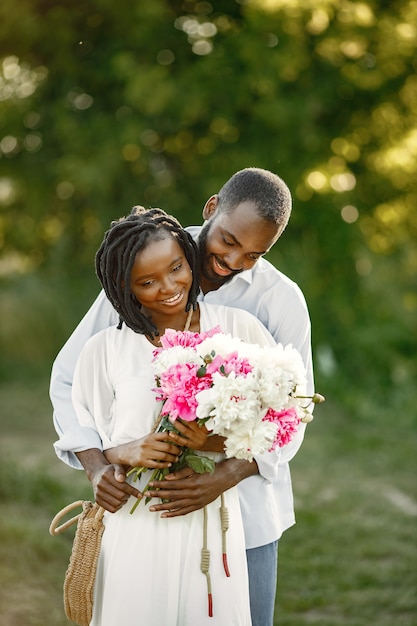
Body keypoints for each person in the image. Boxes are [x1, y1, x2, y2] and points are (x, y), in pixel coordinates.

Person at [51, 167, 314, 626]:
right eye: (228, 241)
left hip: (245, 516)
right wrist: (98, 464)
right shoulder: (142, 260)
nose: (232, 261)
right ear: (212, 208)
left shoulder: (279, 302)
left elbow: (294, 408)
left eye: (253, 254)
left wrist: (226, 474)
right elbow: (71, 378)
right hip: (144, 519)